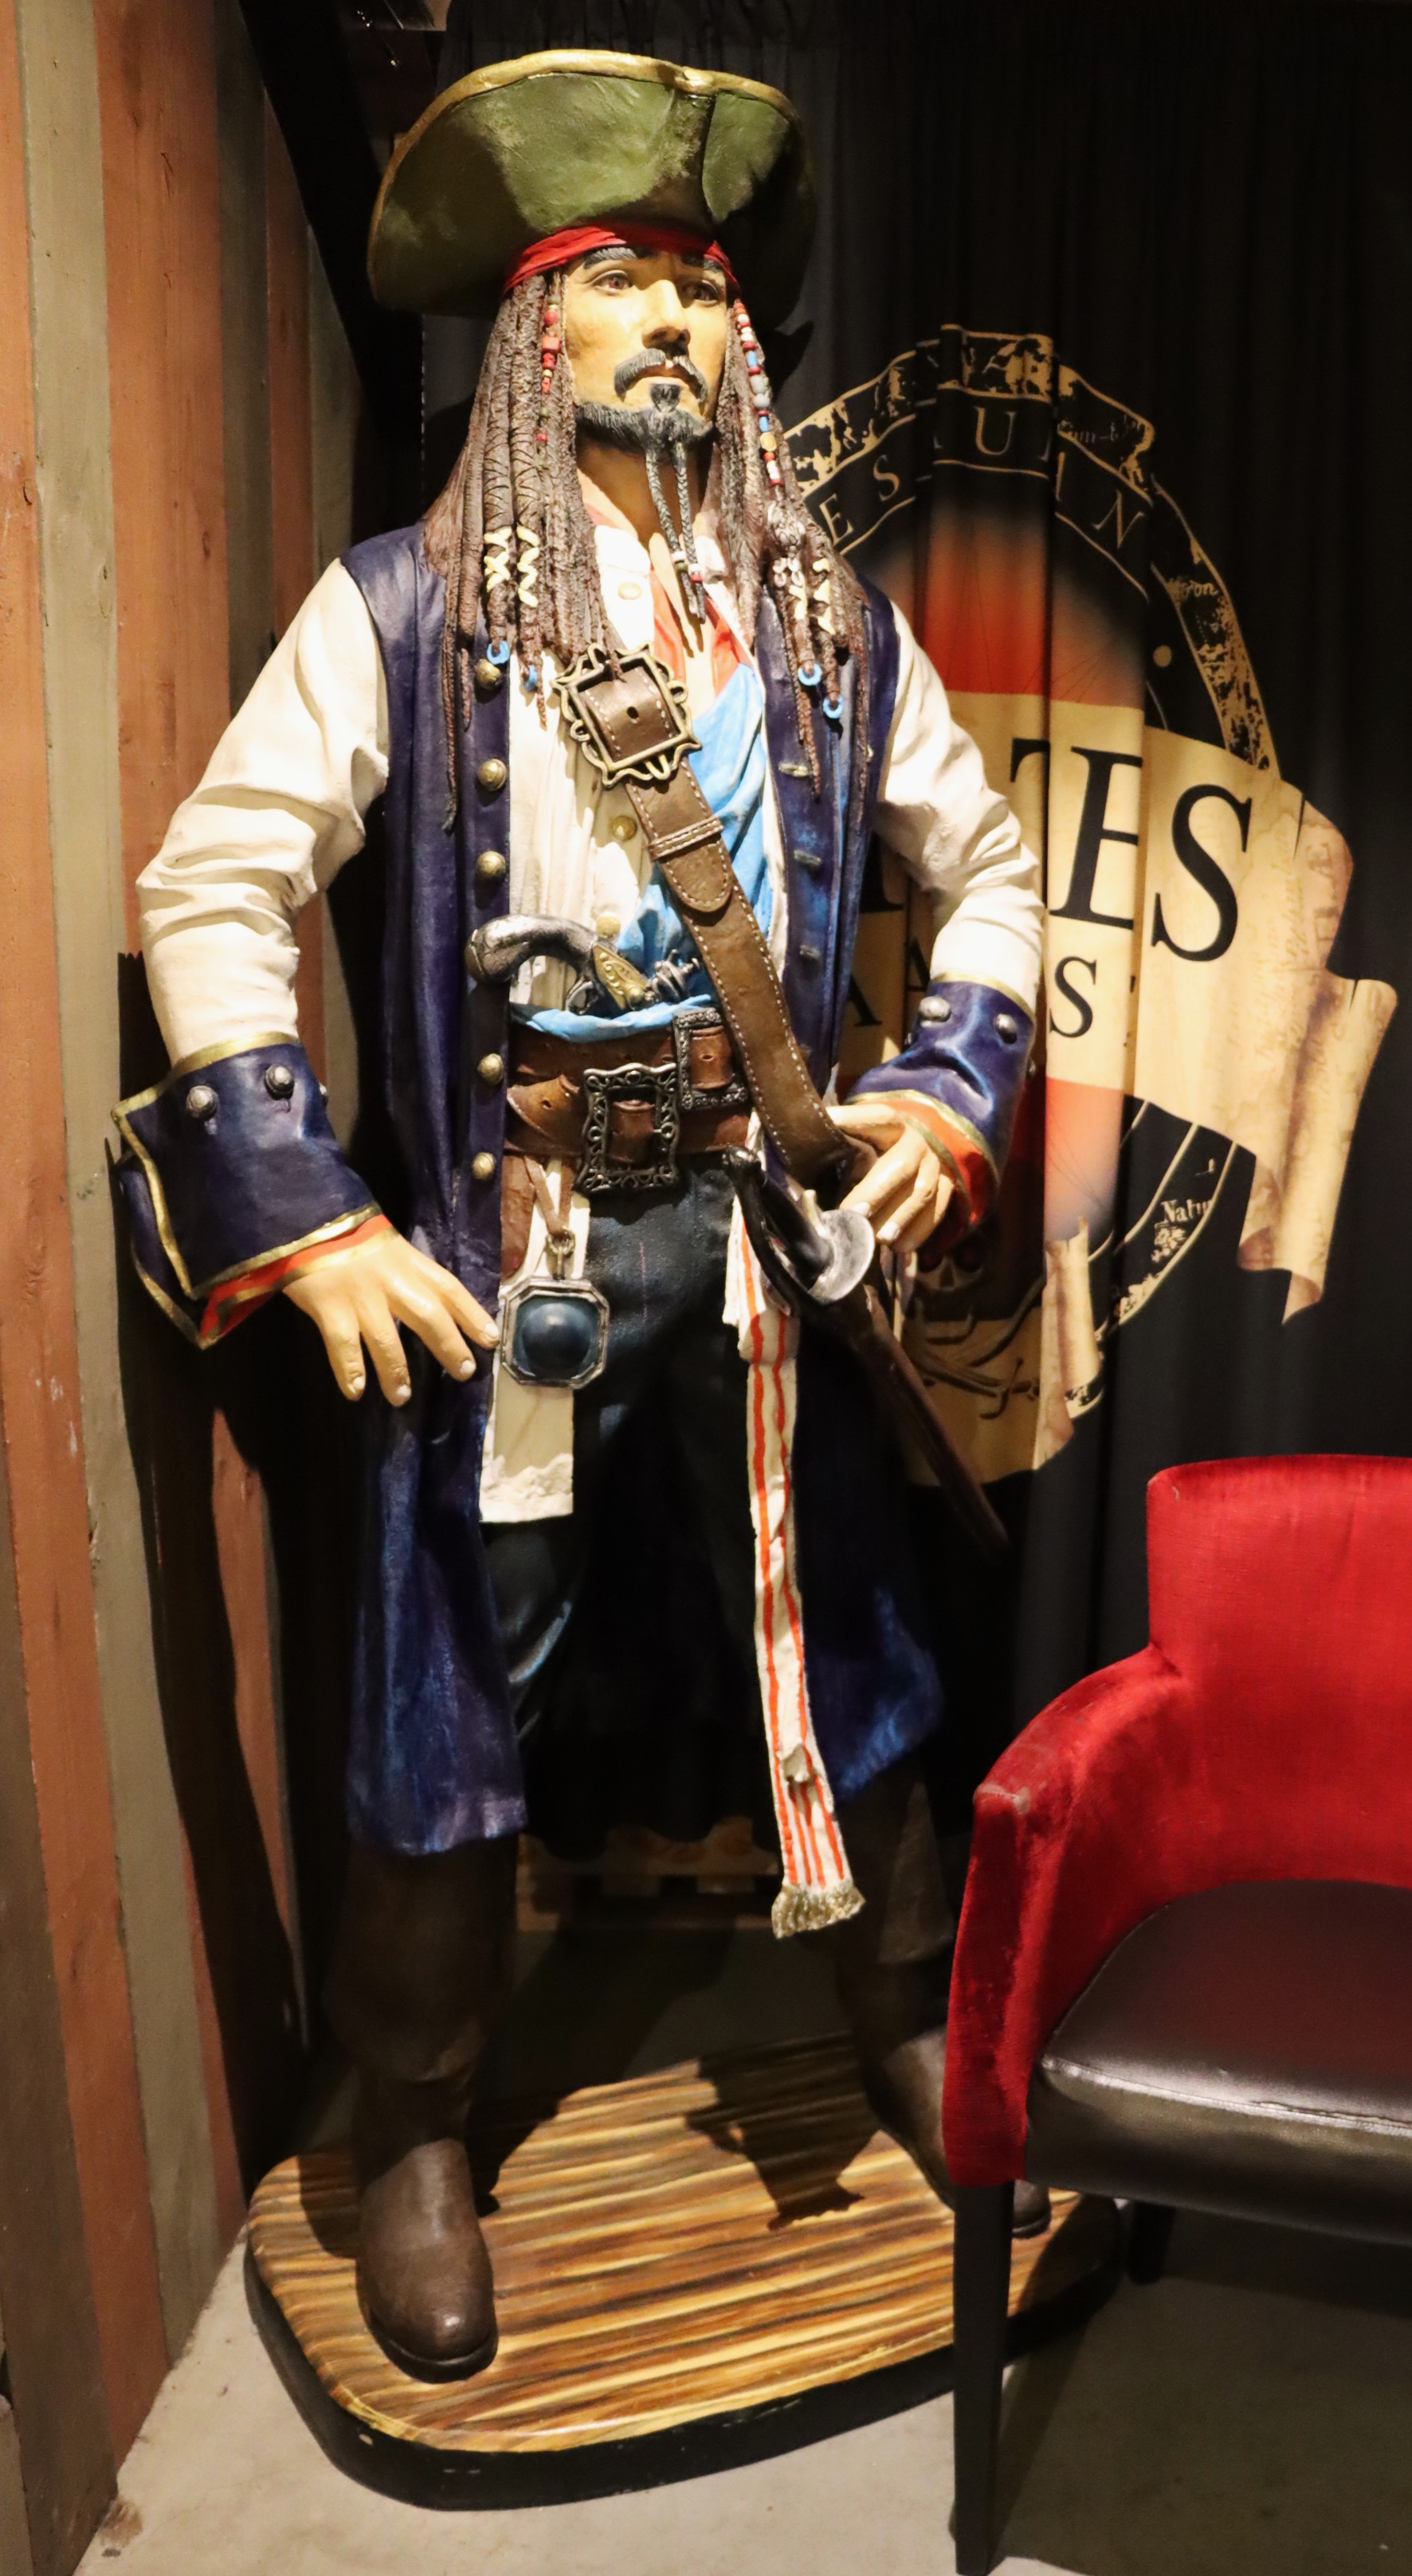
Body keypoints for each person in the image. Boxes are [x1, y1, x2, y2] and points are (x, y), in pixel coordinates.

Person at [114, 50, 1044, 2382]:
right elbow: (215, 882)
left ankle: (906, 2012)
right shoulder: (407, 612)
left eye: (701, 288)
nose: (672, 321)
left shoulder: (829, 631)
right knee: (452, 1677)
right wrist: (309, 1209)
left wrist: (943, 1089)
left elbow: (992, 877)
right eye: (618, 280)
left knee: (843, 1630)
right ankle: (416, 2118)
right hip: (508, 1246)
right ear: (533, 336)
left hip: (755, 1245)